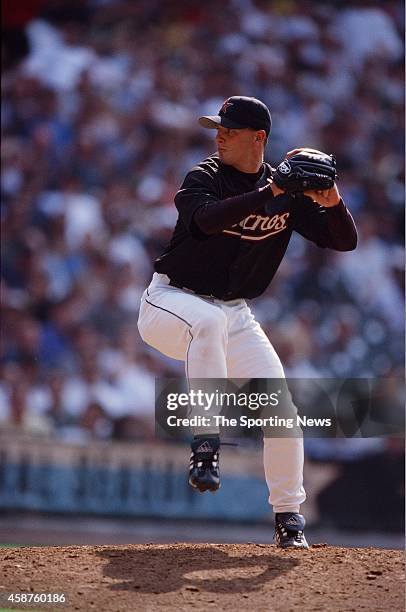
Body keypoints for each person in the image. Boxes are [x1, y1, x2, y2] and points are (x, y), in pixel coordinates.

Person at [137, 96, 357, 548]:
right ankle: (205, 443)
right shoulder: (205, 175)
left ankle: (289, 518)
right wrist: (272, 192)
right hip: (169, 301)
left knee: (282, 413)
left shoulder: (288, 193)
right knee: (207, 325)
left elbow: (344, 241)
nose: (219, 134)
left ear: (258, 138)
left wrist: (332, 201)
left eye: (230, 129)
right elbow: (204, 221)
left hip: (235, 312)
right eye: (218, 126)